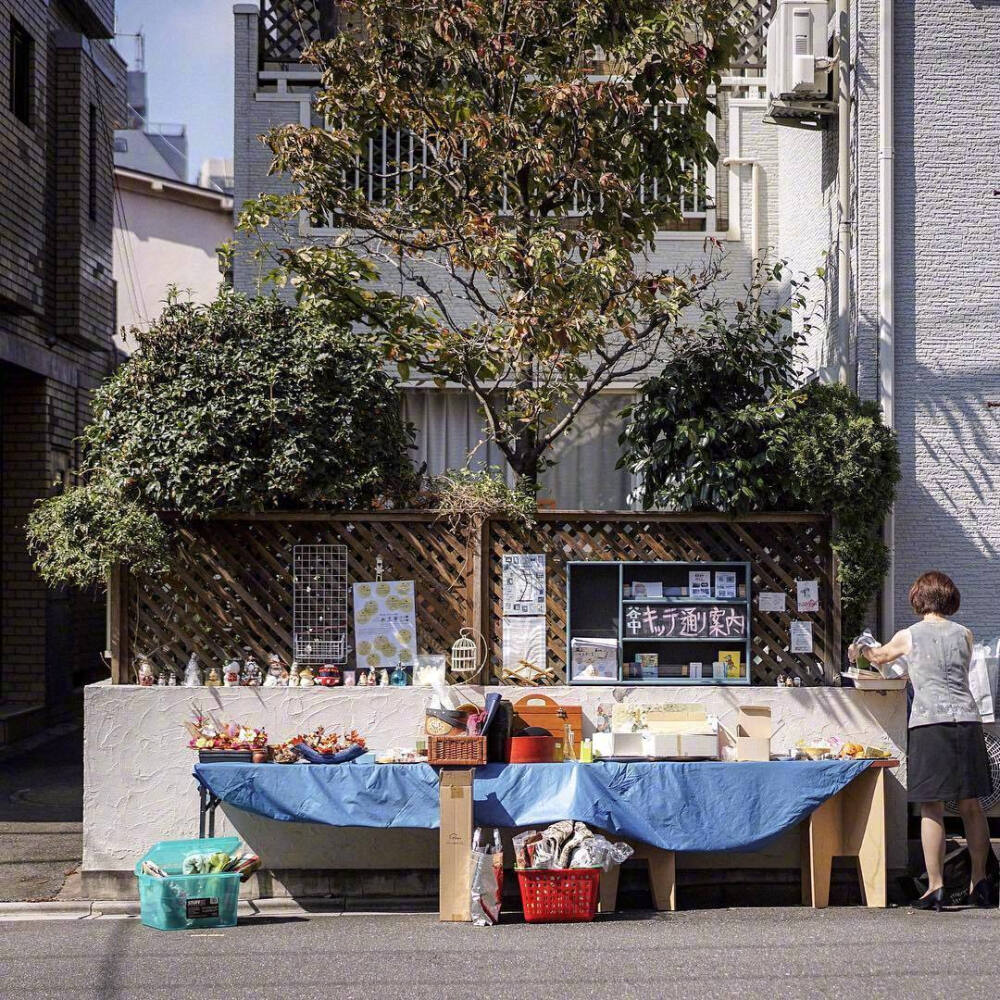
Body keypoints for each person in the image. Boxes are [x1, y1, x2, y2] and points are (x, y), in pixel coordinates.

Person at [849, 570, 994, 911]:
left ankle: (936, 887)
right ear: (949, 598)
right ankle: (980, 883)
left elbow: (878, 658)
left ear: (919, 598)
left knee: (932, 806)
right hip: (968, 723)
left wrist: (861, 646)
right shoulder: (965, 635)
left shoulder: (910, 635)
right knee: (972, 805)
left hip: (931, 724)